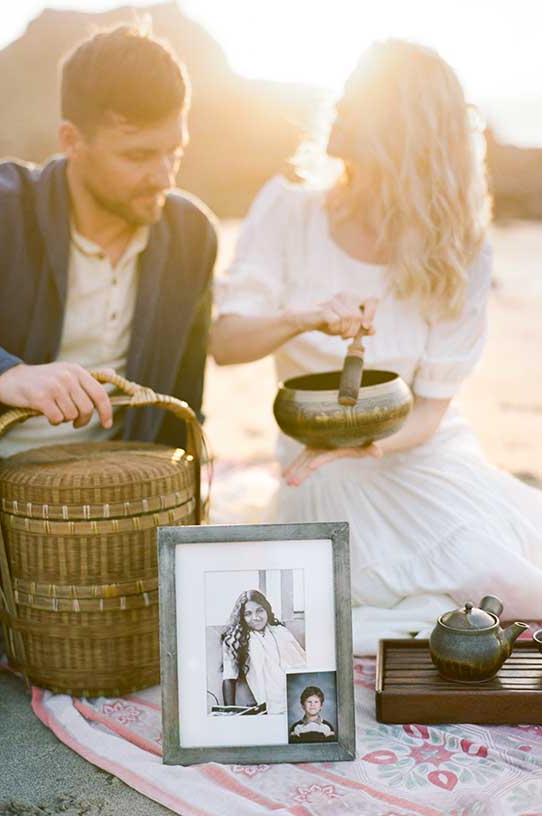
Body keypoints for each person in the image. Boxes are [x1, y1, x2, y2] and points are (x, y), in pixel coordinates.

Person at [211, 39, 542, 653]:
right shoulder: (287, 208)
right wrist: (303, 317)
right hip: (314, 457)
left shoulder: (457, 248)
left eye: (358, 100)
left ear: (405, 131)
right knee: (327, 515)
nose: (337, 108)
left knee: (509, 578)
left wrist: (369, 445)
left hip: (417, 450)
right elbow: (227, 343)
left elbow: (432, 408)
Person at [0, 26, 217, 703]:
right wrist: (4, 372)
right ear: (71, 141)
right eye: (139, 154)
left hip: (87, 514)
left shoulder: (191, 234)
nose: (163, 174)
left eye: (174, 151)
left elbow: (185, 403)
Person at [221, 589, 305, 714]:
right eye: (248, 613)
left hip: (296, 695)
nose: (255, 617)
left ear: (266, 610)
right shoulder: (236, 641)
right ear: (242, 617)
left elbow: (302, 664)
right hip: (269, 704)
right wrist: (229, 713)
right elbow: (229, 678)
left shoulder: (281, 632)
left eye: (259, 610)